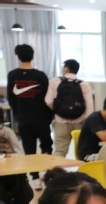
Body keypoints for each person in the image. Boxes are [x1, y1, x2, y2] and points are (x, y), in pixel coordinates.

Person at [6, 44, 53, 190]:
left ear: (18, 57)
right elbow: (48, 98)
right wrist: (49, 117)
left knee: (29, 148)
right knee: (46, 146)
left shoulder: (12, 75)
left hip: (23, 119)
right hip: (42, 118)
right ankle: (48, 176)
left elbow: (11, 99)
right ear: (33, 57)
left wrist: (18, 114)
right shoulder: (41, 75)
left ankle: (35, 178)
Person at [45, 59, 93, 158]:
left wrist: (59, 110)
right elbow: (89, 107)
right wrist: (85, 121)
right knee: (82, 152)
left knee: (60, 151)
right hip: (79, 122)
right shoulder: (83, 84)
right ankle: (82, 168)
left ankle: (58, 168)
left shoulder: (55, 82)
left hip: (61, 122)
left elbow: (48, 101)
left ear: (66, 69)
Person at [0, 123, 31, 204]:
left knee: (28, 193)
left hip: (12, 174)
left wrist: (8, 157)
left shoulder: (6, 131)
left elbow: (20, 153)